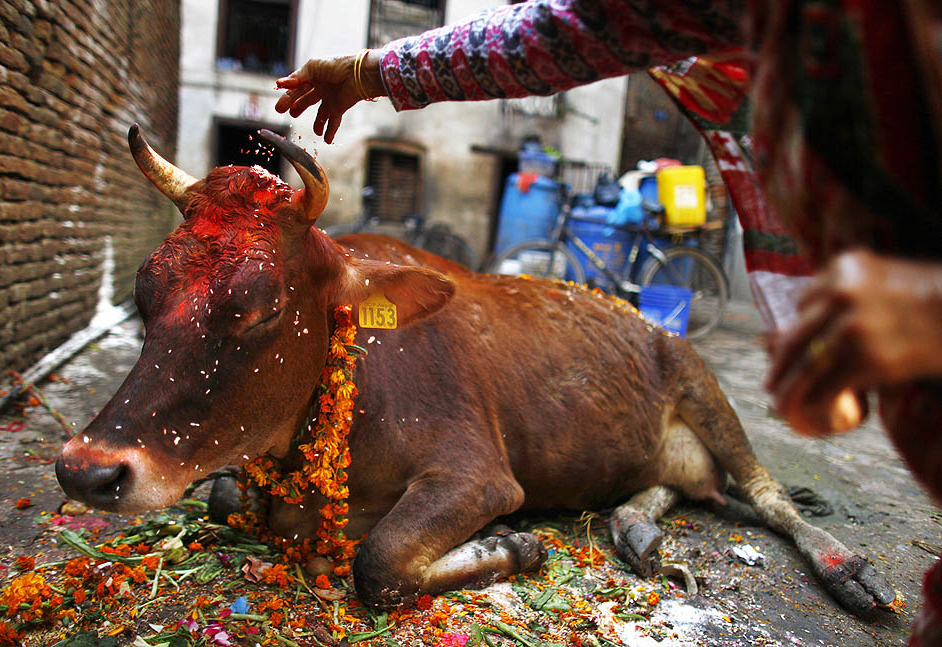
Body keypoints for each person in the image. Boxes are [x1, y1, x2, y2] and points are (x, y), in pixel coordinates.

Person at [276, 1, 942, 642]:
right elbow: (567, 30)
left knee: (702, 386)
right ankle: (650, 500)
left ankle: (788, 518)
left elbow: (564, 32)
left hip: (877, 255)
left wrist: (372, 72)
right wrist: (372, 71)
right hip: (873, 251)